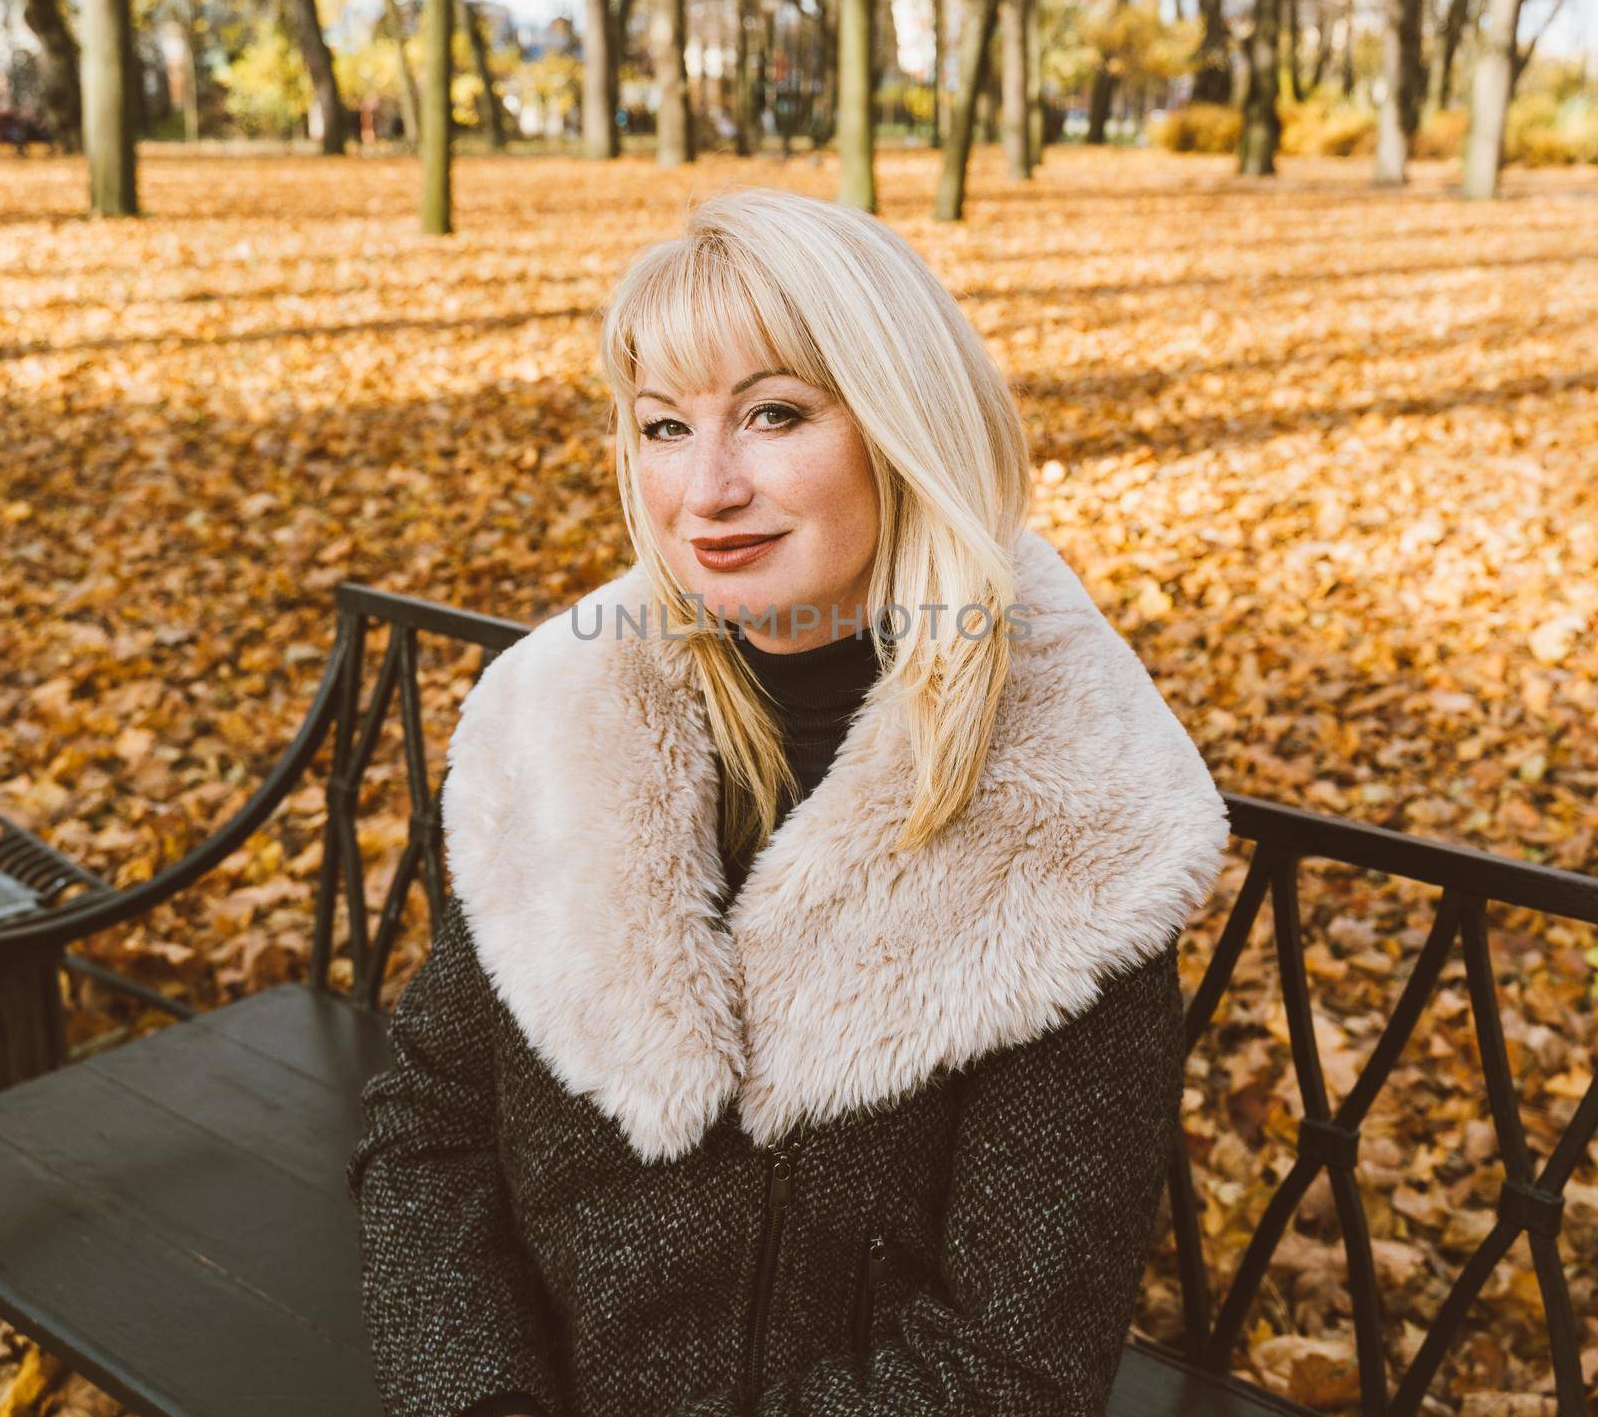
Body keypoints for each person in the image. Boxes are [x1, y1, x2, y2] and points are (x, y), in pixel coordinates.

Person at [346, 185, 1232, 1417]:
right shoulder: (561, 722)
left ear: (902, 426)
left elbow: (1011, 1365)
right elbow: (429, 1123)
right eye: (662, 426)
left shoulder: (1072, 821)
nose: (703, 489)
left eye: (772, 413)